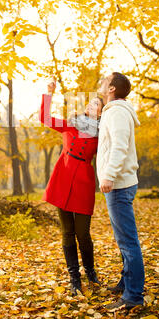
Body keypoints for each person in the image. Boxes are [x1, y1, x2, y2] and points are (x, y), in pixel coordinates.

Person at [39, 77, 103, 296]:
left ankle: (90, 271)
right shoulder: (71, 124)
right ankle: (74, 278)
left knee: (82, 233)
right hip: (62, 178)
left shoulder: (102, 134)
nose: (90, 105)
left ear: (101, 112)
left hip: (83, 183)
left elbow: (107, 156)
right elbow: (45, 118)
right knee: (67, 232)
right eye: (90, 103)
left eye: (96, 104)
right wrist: (49, 93)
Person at [97, 72, 145, 311]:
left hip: (118, 184)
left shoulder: (115, 112)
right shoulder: (113, 111)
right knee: (123, 239)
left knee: (128, 241)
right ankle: (126, 281)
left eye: (105, 80)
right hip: (120, 183)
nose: (102, 82)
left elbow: (119, 145)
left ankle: (133, 295)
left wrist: (108, 175)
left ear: (112, 88)